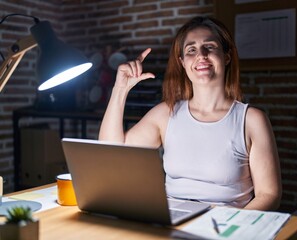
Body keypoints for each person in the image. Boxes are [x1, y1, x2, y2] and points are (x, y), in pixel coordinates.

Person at [99, 16, 282, 210]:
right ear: (183, 62)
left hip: (225, 228)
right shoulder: (165, 114)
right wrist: (120, 89)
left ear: (226, 56)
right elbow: (110, 152)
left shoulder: (251, 120)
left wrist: (232, 230)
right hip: (170, 224)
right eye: (191, 50)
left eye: (209, 47)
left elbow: (269, 194)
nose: (201, 55)